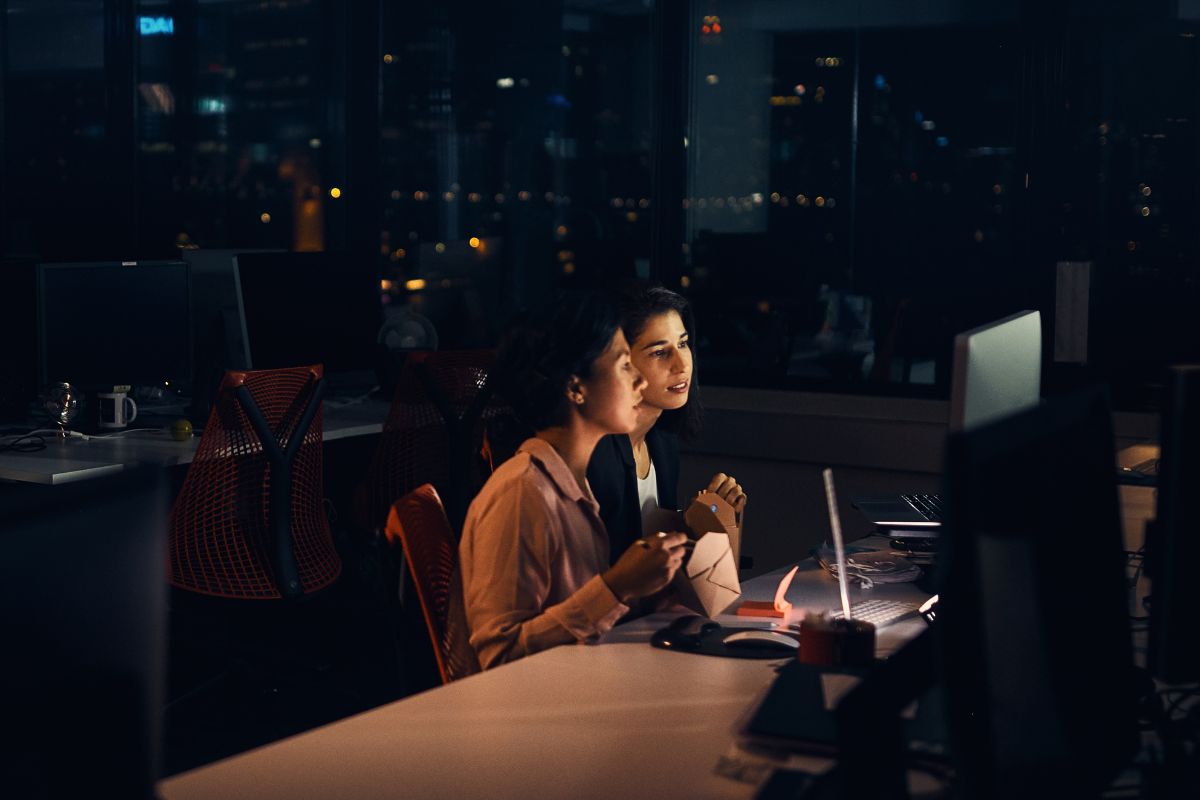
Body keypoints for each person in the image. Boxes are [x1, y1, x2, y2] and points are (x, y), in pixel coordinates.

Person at [459, 292, 689, 669]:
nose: (640, 381)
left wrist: (651, 590)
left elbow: (577, 618)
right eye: (623, 363)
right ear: (576, 388)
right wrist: (617, 587)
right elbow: (498, 657)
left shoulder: (575, 486)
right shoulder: (523, 492)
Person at [588, 285, 748, 566]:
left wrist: (711, 519)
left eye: (683, 344)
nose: (682, 364)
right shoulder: (597, 454)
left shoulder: (661, 443)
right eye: (659, 352)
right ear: (619, 362)